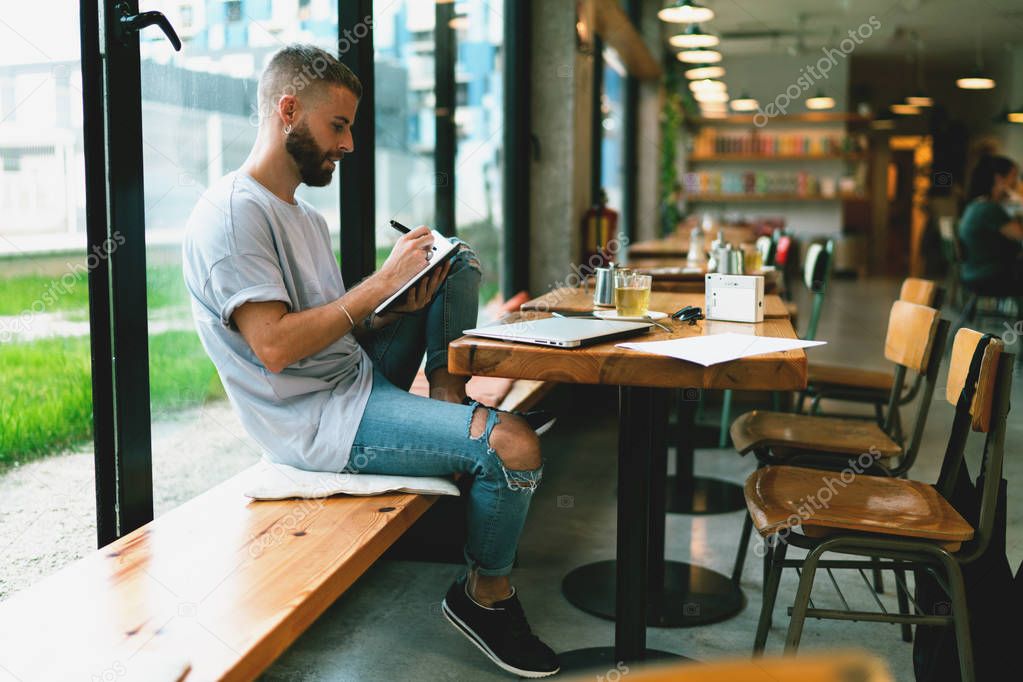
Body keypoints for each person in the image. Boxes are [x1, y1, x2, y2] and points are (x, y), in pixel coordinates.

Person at [181, 44, 559, 678]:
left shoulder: (300, 214)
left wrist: (400, 299)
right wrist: (380, 284)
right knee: (515, 447)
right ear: (288, 110)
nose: (350, 144)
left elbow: (337, 329)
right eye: (339, 125)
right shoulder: (231, 217)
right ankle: (484, 596)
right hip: (314, 422)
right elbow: (274, 348)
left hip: (349, 379)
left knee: (454, 257)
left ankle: (447, 400)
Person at [958, 154, 1023, 295]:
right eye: (1013, 176)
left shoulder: (977, 204)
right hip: (989, 276)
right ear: (999, 179)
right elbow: (1020, 235)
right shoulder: (990, 209)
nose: (1017, 182)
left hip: (973, 273)